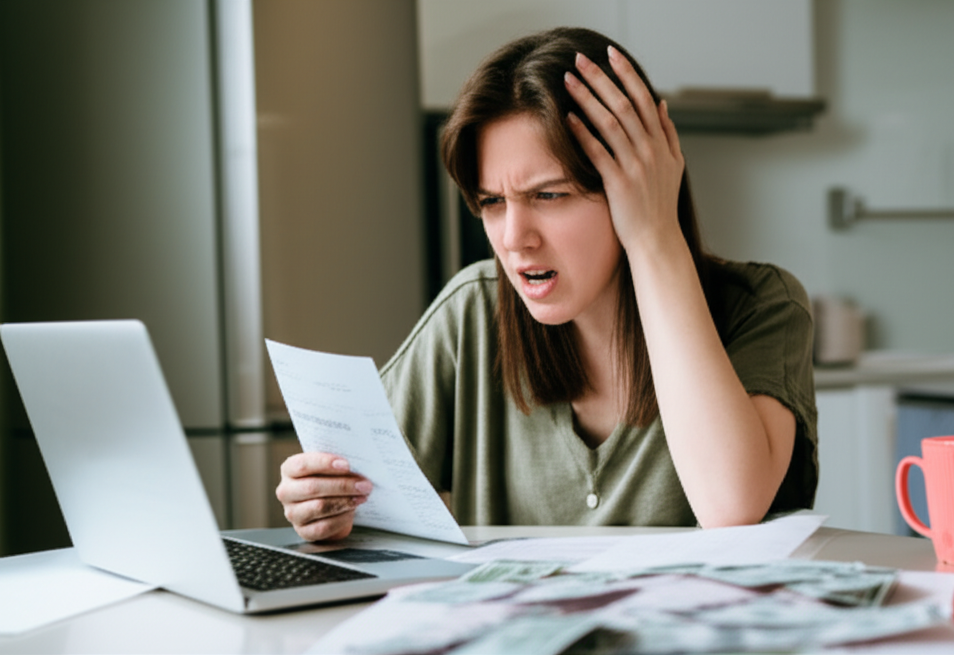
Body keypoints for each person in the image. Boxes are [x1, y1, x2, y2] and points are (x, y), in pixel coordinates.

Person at [276, 27, 818, 542]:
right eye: (492, 202)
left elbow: (730, 505)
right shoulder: (472, 313)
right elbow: (361, 500)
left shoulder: (761, 306)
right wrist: (327, 503)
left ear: (640, 180)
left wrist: (654, 235)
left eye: (549, 195)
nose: (514, 239)